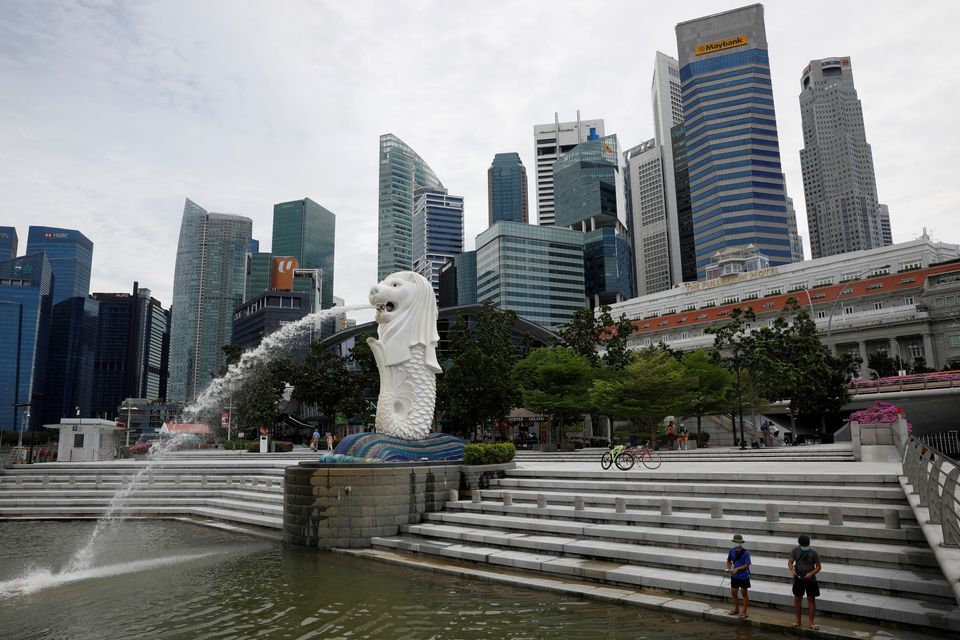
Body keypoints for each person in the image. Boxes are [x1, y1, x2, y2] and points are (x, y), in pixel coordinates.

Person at [788, 534, 822, 630]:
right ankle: (798, 621)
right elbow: (790, 562)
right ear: (800, 544)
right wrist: (793, 570)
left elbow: (818, 567)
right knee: (797, 599)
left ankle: (811, 622)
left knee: (811, 599)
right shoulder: (795, 550)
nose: (805, 547)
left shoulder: (813, 552)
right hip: (799, 578)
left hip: (811, 579)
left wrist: (811, 573)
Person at [726, 533, 751, 619]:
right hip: (734, 576)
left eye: (739, 542)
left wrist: (737, 569)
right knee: (733, 592)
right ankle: (736, 608)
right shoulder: (731, 551)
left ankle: (744, 611)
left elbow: (747, 565)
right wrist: (729, 567)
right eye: (736, 542)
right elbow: (729, 560)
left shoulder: (746, 553)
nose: (737, 543)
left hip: (744, 576)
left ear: (741, 543)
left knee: (744, 593)